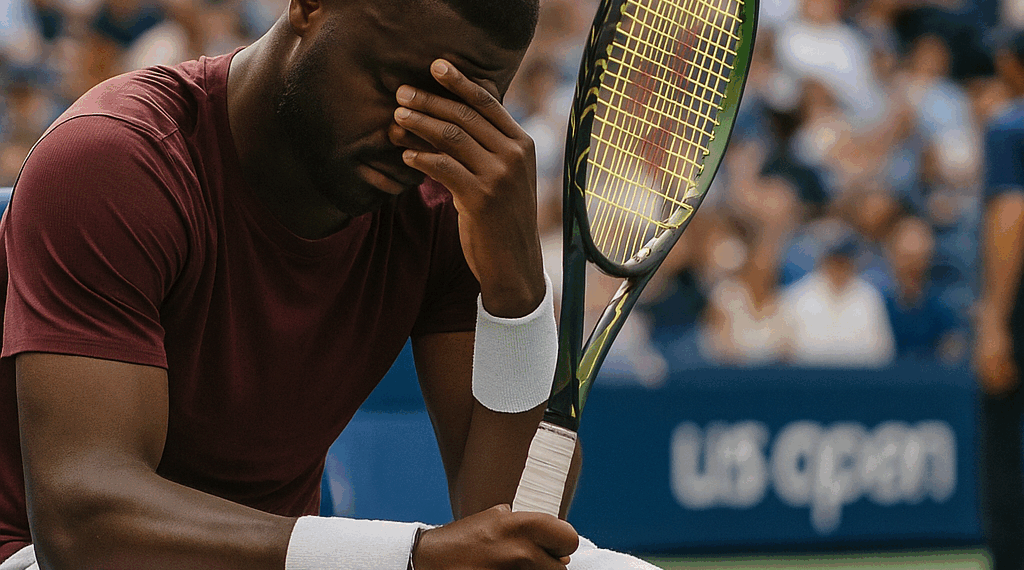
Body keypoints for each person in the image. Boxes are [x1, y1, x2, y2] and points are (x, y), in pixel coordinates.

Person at [0, 1, 659, 569]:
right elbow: (83, 528)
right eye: (395, 83)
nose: (413, 131)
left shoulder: (448, 200)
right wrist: (410, 557)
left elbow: (508, 522)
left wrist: (516, 289)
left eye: (462, 111)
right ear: (308, 5)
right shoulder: (115, 161)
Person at [975, 29, 1024, 570]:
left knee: (1004, 449)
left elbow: (1011, 217)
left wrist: (993, 318)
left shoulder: (1009, 125)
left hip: (1020, 307)